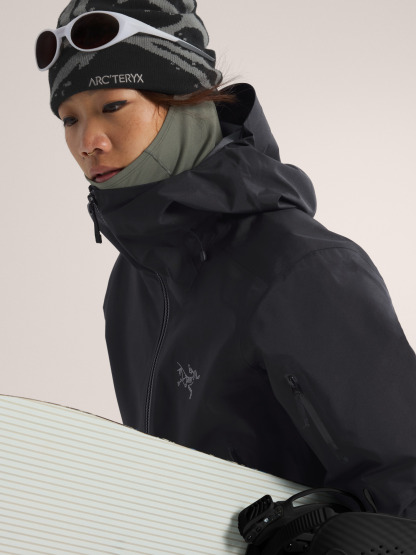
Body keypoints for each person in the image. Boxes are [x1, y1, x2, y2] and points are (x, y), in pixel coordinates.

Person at [37, 0, 416, 521]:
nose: (88, 142)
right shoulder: (131, 284)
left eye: (113, 106)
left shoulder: (297, 267)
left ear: (184, 100)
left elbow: (404, 483)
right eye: (69, 119)